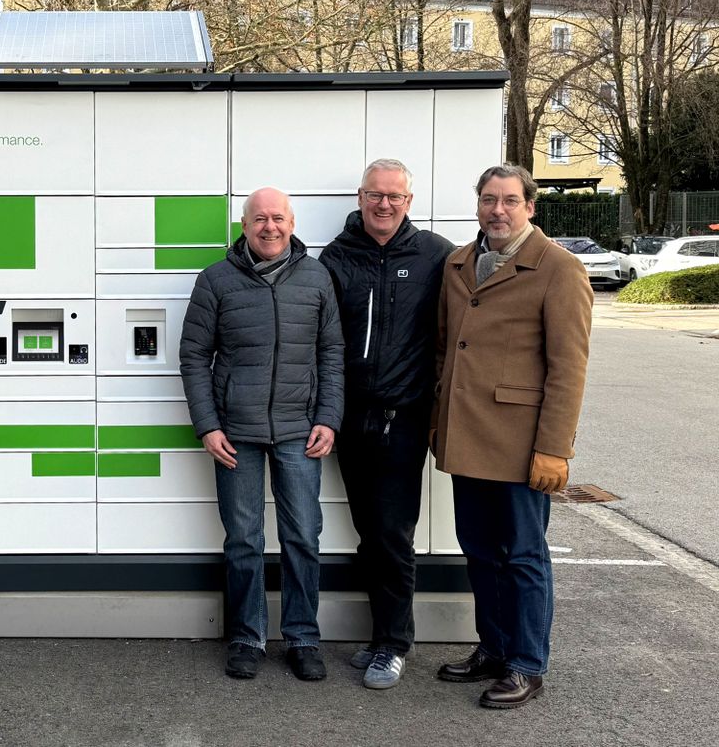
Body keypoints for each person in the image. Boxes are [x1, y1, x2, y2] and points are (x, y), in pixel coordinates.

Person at [431, 164, 592, 709]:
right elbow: (445, 349)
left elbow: (568, 369)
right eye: (487, 200)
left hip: (523, 443)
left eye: (508, 201)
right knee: (479, 550)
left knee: (523, 556)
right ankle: (494, 649)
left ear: (530, 207)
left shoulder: (558, 269)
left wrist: (554, 448)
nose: (497, 210)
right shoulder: (458, 262)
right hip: (465, 435)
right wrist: (438, 420)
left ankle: (526, 664)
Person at [180, 186, 345, 681]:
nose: (269, 227)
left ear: (292, 223)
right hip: (237, 434)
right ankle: (247, 636)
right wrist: (208, 425)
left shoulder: (317, 277)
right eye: (259, 219)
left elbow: (331, 353)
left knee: (302, 537)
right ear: (245, 225)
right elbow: (193, 357)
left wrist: (328, 417)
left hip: (300, 430)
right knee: (245, 540)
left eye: (277, 218)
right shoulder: (215, 281)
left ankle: (302, 638)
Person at [318, 159, 455, 690]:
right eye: (375, 194)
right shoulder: (336, 257)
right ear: (360, 197)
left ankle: (393, 645)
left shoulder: (436, 256)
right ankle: (382, 635)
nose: (384, 204)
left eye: (394, 196)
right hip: (351, 419)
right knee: (368, 534)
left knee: (393, 534)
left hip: (404, 418)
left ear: (409, 202)